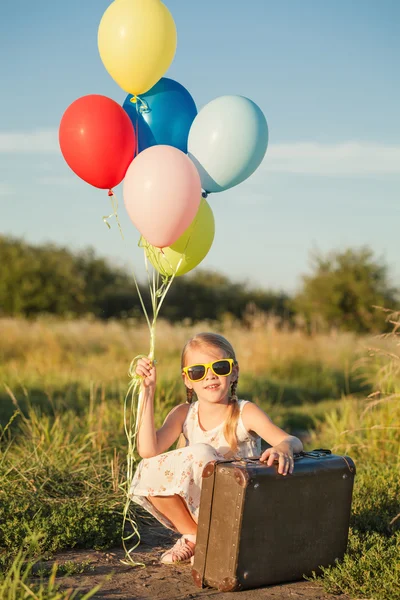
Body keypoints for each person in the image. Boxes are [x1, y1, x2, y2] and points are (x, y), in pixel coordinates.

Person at [130, 332, 303, 565]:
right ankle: (196, 536)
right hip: (201, 512)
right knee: (149, 467)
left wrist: (283, 447)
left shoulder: (245, 412)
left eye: (220, 367)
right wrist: (148, 391)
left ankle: (220, 540)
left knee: (202, 453)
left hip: (240, 508)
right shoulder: (184, 413)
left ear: (234, 372)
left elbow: (293, 440)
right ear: (187, 379)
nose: (210, 376)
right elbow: (148, 451)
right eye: (198, 371)